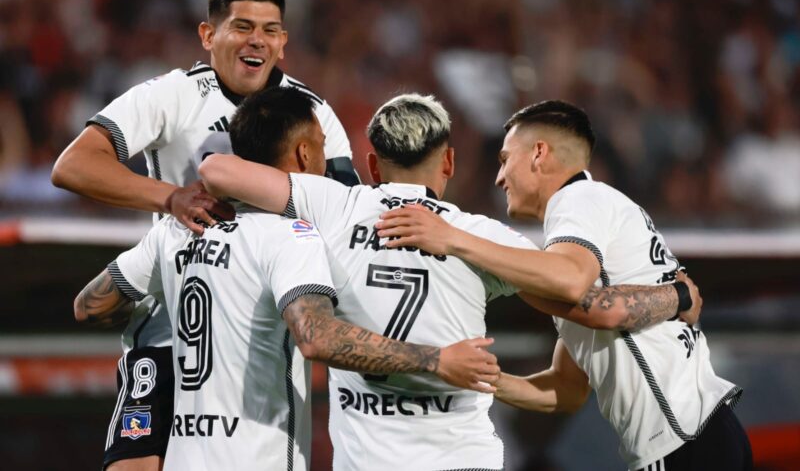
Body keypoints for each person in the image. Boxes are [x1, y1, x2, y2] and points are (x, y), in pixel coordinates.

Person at [198, 93, 701, 470]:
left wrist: (344, 195)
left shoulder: (331, 205)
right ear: (449, 163)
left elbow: (217, 170)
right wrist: (674, 295)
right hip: (464, 458)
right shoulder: (484, 238)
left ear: (373, 164)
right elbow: (588, 304)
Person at [73, 87, 498, 471]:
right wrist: (436, 360)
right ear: (303, 156)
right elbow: (317, 337)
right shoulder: (292, 237)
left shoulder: (177, 229)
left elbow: (91, 305)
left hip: (185, 456)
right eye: (322, 148)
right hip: (257, 459)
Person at [50, 0, 359, 470]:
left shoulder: (314, 114)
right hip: (172, 335)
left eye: (270, 29)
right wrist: (171, 197)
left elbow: (346, 215)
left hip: (259, 339)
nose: (257, 39)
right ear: (208, 35)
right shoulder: (173, 94)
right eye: (241, 26)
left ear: (283, 41)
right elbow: (73, 165)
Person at [376, 100, 752, 471]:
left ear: (539, 154)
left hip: (682, 441)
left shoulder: (578, 198)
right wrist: (483, 379)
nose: (499, 177)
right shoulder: (586, 234)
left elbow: (575, 287)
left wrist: (454, 239)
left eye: (506, 159)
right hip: (701, 435)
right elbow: (566, 389)